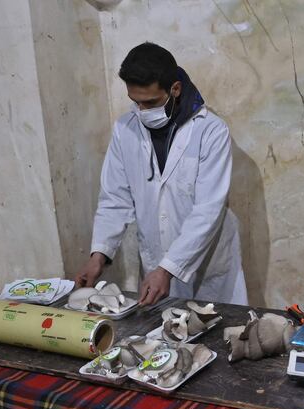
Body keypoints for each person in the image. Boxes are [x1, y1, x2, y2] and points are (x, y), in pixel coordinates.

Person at [75, 42, 247, 306]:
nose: (142, 111)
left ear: (175, 89)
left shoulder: (211, 131)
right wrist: (98, 255)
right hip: (156, 266)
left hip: (206, 266)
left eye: (151, 102)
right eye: (136, 102)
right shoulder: (125, 130)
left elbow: (208, 210)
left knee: (217, 335)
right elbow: (114, 199)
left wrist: (168, 269)